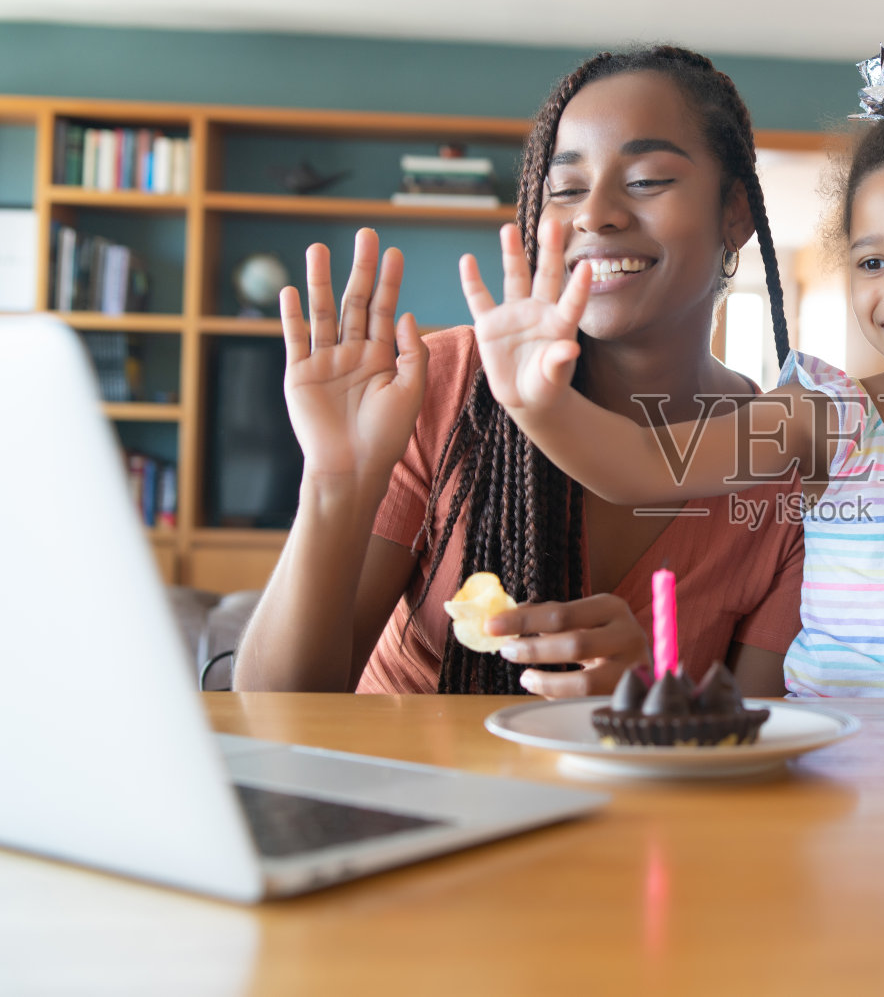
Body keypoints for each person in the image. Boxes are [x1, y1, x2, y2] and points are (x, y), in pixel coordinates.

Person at [455, 92, 884, 698]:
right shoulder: (827, 416)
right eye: (872, 262)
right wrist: (537, 405)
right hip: (830, 780)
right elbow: (643, 465)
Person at [234, 47, 805, 698]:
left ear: (735, 212)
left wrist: (649, 702)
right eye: (565, 189)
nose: (595, 214)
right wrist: (335, 481)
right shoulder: (443, 385)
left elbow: (761, 749)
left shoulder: (779, 469)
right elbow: (273, 709)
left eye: (646, 179)